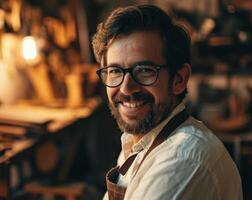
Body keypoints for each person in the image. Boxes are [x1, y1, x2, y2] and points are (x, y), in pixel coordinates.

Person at [91, 4, 242, 200]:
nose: (126, 88)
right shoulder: (136, 144)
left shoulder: (183, 159)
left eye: (144, 70)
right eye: (115, 71)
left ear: (178, 80)